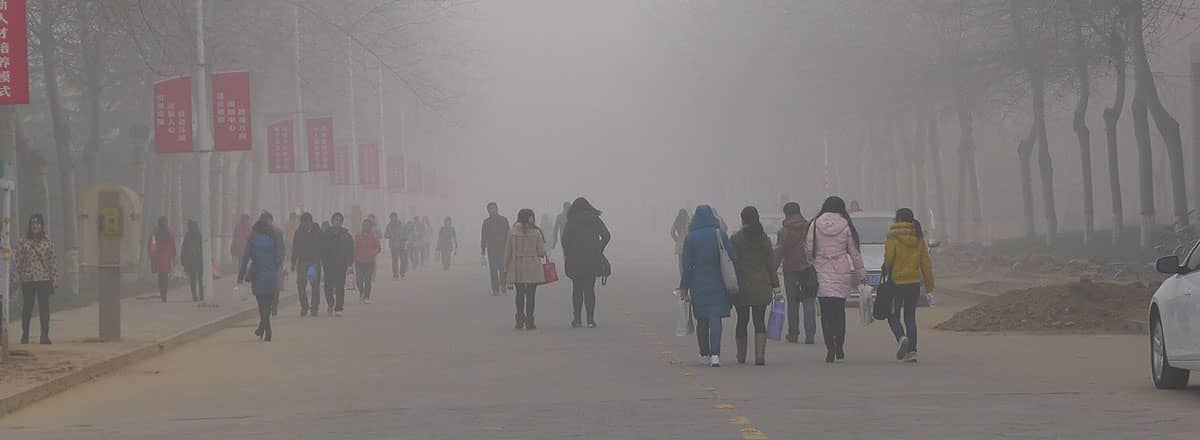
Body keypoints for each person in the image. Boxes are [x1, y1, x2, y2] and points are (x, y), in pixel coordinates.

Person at [807, 196, 867, 363]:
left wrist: (814, 262)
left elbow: (808, 248)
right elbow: (854, 253)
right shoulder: (846, 225)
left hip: (821, 270)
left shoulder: (814, 224)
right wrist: (862, 275)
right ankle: (839, 345)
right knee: (839, 312)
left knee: (826, 314)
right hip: (841, 270)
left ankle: (830, 349)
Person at [679, 205, 733, 367]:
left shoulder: (691, 238)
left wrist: (684, 286)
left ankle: (704, 353)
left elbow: (687, 266)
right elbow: (732, 256)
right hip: (719, 282)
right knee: (715, 317)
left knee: (702, 319)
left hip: (698, 283)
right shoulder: (720, 235)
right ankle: (715, 355)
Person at [883, 208, 936, 363]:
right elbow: (926, 264)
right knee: (910, 316)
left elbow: (889, 258)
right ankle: (912, 352)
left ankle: (901, 337)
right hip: (913, 283)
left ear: (897, 219)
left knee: (892, 315)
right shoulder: (918, 236)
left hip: (896, 283)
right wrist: (929, 285)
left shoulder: (893, 235)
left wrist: (886, 268)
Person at [730, 206, 780, 366]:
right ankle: (759, 355)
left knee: (742, 320)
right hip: (761, 285)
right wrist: (776, 287)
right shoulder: (764, 239)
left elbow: (732, 262)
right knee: (759, 321)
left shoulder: (736, 239)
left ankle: (741, 355)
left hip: (742, 286)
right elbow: (771, 265)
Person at [561, 197, 611, 328]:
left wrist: (569, 253)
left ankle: (577, 319)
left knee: (577, 289)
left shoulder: (571, 221)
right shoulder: (595, 219)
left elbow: (564, 240)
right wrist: (599, 248)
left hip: (575, 260)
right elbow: (606, 235)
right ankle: (590, 320)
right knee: (590, 289)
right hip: (592, 259)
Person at [237, 212, 284, 341]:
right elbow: (279, 257)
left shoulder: (252, 241)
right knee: (268, 305)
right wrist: (273, 266)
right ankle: (263, 328)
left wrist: (240, 276)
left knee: (261, 305)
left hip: (258, 276)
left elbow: (245, 259)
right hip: (271, 276)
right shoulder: (273, 239)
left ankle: (267, 329)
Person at [774, 202, 817, 344]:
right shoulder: (809, 228)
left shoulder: (783, 232)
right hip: (808, 269)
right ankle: (810, 335)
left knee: (793, 303)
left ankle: (793, 333)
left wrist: (772, 269)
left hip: (791, 270)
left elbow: (779, 252)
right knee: (809, 301)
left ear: (786, 214)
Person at [13, 214, 57, 345]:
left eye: (37, 224)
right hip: (28, 279)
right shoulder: (23, 242)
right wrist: (16, 277)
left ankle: (44, 336)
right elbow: (18, 261)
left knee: (44, 307)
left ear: (41, 226)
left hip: (43, 278)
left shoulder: (47, 241)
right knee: (27, 307)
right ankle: (25, 335)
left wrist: (55, 279)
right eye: (33, 224)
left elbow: (52, 261)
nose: (35, 226)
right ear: (29, 226)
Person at [504, 209, 548, 330]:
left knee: (519, 294)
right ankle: (529, 320)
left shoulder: (512, 232)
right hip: (532, 266)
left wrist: (506, 266)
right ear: (530, 218)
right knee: (531, 295)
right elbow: (541, 252)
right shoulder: (536, 232)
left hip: (517, 265)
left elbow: (508, 251)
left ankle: (519, 320)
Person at [321, 213, 355, 317]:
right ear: (332, 221)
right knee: (328, 286)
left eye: (340, 220)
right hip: (328, 265)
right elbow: (321, 248)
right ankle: (331, 303)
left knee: (340, 286)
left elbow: (350, 250)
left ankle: (339, 307)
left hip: (341, 265)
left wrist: (349, 264)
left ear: (342, 222)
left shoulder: (347, 236)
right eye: (336, 220)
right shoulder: (325, 235)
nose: (338, 222)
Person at [291, 212, 324, 316]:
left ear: (311, 221)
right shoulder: (298, 232)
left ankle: (314, 307)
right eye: (304, 222)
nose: (306, 224)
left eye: (308, 221)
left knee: (314, 285)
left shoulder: (317, 231)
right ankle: (304, 307)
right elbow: (295, 248)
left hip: (313, 263)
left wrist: (319, 261)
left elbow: (321, 247)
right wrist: (293, 262)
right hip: (302, 262)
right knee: (301, 285)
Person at [481, 202, 510, 295]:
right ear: (488, 210)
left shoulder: (504, 220)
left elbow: (508, 234)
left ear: (497, 209)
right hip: (491, 248)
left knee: (502, 268)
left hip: (502, 248)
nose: (492, 210)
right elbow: (484, 236)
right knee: (493, 269)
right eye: (490, 209)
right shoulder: (486, 222)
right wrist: (483, 249)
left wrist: (510, 247)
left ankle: (503, 285)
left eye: (493, 208)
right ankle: (495, 289)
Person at [148, 216, 177, 302]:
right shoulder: (168, 231)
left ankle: (162, 294)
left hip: (157, 256)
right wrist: (173, 256)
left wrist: (151, 254)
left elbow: (151, 243)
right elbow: (172, 243)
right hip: (166, 257)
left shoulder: (155, 231)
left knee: (160, 276)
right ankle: (164, 295)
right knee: (165, 277)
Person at [354, 219, 382, 304]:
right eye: (365, 225)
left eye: (368, 225)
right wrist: (353, 257)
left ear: (370, 227)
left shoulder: (374, 237)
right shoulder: (358, 236)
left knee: (367, 279)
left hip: (370, 261)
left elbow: (378, 248)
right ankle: (361, 292)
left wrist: (373, 253)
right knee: (359, 279)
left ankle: (367, 296)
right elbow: (354, 247)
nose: (366, 226)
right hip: (359, 261)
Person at [180, 220, 204, 302]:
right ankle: (200, 295)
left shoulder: (189, 236)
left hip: (193, 261)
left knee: (194, 279)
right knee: (199, 279)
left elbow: (183, 249)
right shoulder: (199, 235)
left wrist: (183, 260)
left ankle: (196, 295)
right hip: (198, 260)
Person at [384, 212, 409, 279]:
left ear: (396, 217)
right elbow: (385, 235)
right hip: (393, 245)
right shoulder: (389, 226)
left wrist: (404, 239)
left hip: (401, 245)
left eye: (394, 217)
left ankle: (402, 273)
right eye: (391, 217)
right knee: (394, 260)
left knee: (403, 259)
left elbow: (406, 234)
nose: (393, 218)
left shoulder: (402, 225)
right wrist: (390, 236)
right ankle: (395, 274)